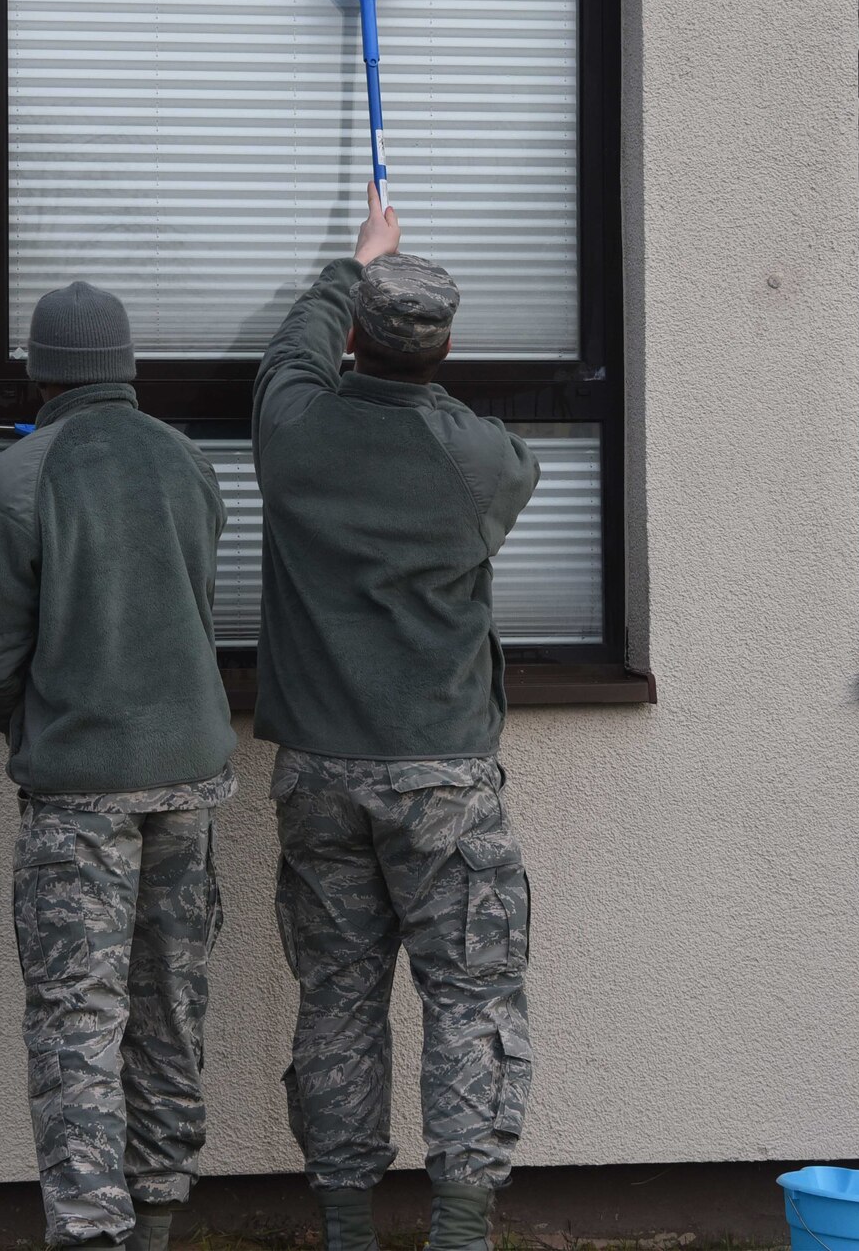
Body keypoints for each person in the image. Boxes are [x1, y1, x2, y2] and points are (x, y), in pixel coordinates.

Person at [251, 185, 542, 1251]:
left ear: (355, 343)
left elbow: (287, 356)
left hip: (319, 773)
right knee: (468, 999)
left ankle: (344, 1228)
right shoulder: (477, 460)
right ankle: (459, 1231)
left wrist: (352, 263)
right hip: (442, 780)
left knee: (336, 998)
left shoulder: (292, 433)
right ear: (448, 345)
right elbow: (512, 463)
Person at [0, 281, 236, 1251]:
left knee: (79, 1023)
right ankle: (156, 1219)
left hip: (80, 795)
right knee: (170, 1007)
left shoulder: (17, 482)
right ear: (124, 367)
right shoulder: (188, 466)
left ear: (39, 371)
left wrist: (31, 726)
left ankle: (89, 1235)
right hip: (191, 778)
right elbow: (194, 606)